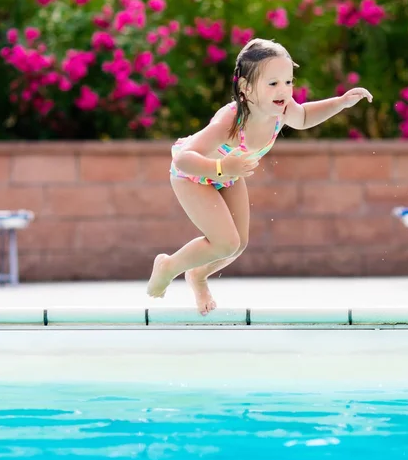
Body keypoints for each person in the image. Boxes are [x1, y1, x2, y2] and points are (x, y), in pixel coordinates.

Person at [147, 38, 372, 313]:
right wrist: (221, 169)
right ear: (245, 88)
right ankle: (168, 266)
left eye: (289, 82)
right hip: (193, 175)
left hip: (229, 174)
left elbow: (303, 118)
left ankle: (198, 275)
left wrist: (340, 103)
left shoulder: (283, 109)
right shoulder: (230, 121)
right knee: (225, 242)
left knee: (238, 245)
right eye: (274, 83)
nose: (285, 91)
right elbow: (183, 159)